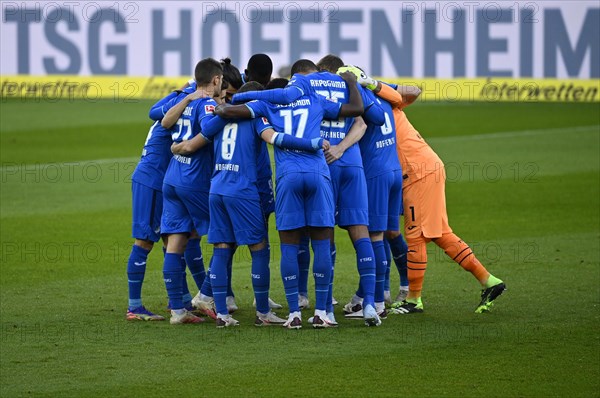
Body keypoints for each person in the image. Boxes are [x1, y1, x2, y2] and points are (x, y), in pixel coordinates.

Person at [218, 59, 365, 328]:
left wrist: (233, 100)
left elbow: (229, 112)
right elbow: (357, 108)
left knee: (289, 245)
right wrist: (352, 84)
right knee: (321, 242)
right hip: (317, 174)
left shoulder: (267, 105)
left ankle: (294, 313)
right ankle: (321, 311)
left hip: (287, 177)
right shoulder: (316, 100)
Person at [173, 81, 331, 327]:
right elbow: (274, 138)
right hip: (242, 189)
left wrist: (176, 147)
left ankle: (223, 315)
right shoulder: (257, 117)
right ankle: (263, 313)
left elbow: (193, 144)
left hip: (217, 189)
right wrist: (311, 143)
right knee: (259, 248)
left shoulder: (217, 119)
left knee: (222, 248)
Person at [349, 67, 506, 313]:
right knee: (439, 233)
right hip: (425, 167)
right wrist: (375, 84)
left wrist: (372, 84)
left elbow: (409, 94)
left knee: (415, 236)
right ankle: (489, 280)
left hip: (418, 172)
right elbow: (407, 94)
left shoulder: (370, 100)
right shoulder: (383, 97)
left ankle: (413, 299)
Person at [299, 53, 386, 326]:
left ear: (321, 70)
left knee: (324, 236)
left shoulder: (310, 83)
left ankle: (325, 309)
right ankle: (370, 304)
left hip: (324, 164)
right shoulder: (351, 85)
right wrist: (343, 148)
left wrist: (331, 148)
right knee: (361, 233)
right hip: (352, 164)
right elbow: (363, 122)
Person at [126, 82, 204, 321]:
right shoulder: (180, 108)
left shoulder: (173, 105)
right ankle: (135, 307)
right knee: (144, 241)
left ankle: (178, 301)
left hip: (159, 180)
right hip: (152, 180)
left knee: (173, 238)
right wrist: (189, 97)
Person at [158, 58, 225, 325]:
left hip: (172, 177)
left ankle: (177, 310)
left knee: (176, 241)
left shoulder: (186, 100)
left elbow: (164, 123)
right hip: (194, 179)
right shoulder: (207, 103)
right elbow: (210, 130)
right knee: (225, 235)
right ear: (217, 80)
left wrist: (178, 148)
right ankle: (206, 294)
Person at [337, 66, 404, 321]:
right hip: (393, 170)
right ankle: (382, 292)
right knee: (383, 234)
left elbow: (369, 120)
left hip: (375, 173)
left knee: (374, 236)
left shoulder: (360, 97)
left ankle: (375, 302)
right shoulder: (380, 95)